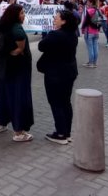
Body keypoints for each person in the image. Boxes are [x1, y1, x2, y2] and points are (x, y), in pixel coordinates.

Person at [0, 4, 34, 142]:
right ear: (15, 14)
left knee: (4, 94)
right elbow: (20, 50)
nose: (24, 15)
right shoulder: (18, 29)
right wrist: (13, 53)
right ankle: (19, 132)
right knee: (19, 96)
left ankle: (0, 123)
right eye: (22, 13)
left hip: (5, 67)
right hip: (18, 68)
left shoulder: (4, 25)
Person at [37, 10, 79, 144]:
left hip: (55, 74)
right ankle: (67, 132)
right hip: (69, 72)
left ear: (64, 21)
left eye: (56, 18)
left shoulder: (55, 35)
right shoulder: (73, 34)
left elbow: (41, 46)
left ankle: (60, 133)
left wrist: (50, 35)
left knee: (56, 102)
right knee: (65, 102)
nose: (54, 20)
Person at [81, 0, 100, 68]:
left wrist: (82, 29)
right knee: (95, 47)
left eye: (88, 2)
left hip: (89, 31)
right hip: (96, 31)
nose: (87, 3)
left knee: (90, 48)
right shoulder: (97, 10)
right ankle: (94, 62)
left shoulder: (89, 10)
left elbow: (85, 21)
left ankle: (91, 63)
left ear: (91, 2)